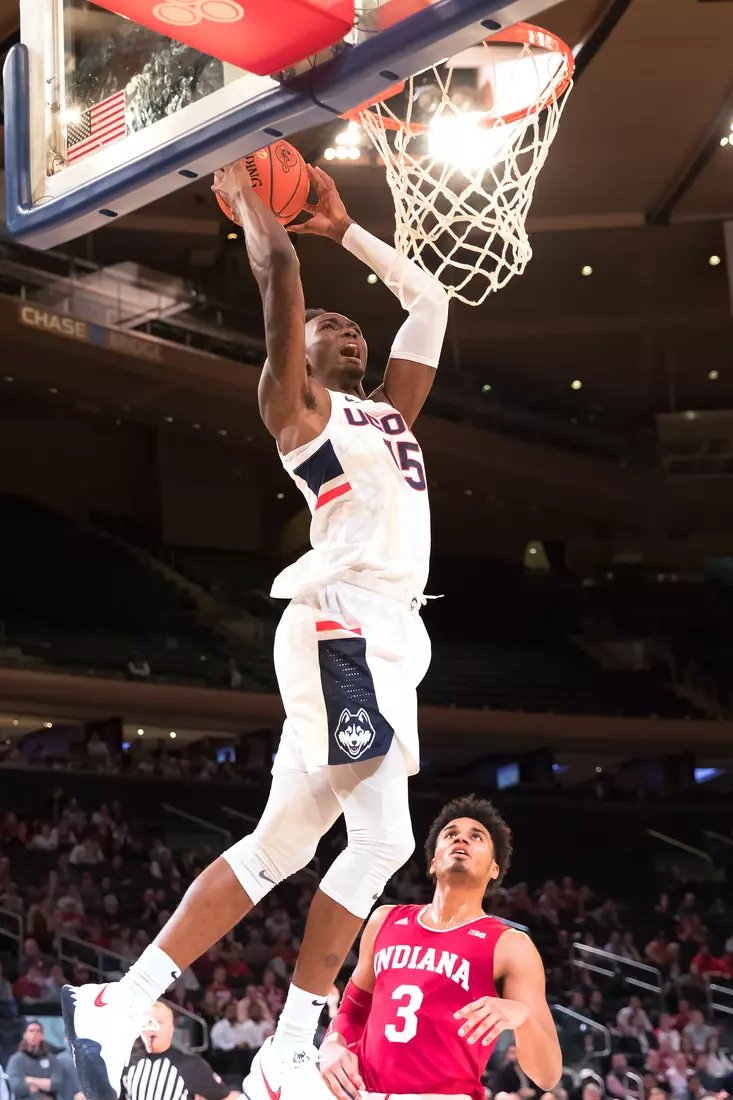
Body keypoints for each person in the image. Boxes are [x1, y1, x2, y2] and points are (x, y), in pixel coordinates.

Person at [62, 158, 449, 1100]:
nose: (348, 328)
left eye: (353, 324)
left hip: (387, 638)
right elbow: (279, 272)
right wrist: (245, 187)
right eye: (328, 325)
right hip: (341, 625)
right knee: (381, 839)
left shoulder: (388, 413)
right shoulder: (298, 408)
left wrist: (345, 228)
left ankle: (124, 998)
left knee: (290, 849)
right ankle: (289, 1045)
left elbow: (430, 301)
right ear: (296, 356)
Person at [317, 795, 561, 1100]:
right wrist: (332, 1043)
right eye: (450, 834)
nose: (461, 838)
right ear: (433, 862)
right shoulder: (384, 920)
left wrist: (522, 1017)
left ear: (494, 869)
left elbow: (548, 1075)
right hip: (367, 1093)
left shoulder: (510, 946)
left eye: (476, 836)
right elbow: (353, 1011)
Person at [121, 1002, 242, 1100]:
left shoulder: (191, 1064)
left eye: (159, 1022)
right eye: (148, 1023)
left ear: (171, 1029)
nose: (153, 1029)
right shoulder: (127, 1062)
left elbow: (225, 1096)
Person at [6, 1021, 61, 1100]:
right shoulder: (16, 1060)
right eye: (31, 1031)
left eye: (38, 1031)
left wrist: (30, 1080)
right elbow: (17, 1088)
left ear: (42, 1035)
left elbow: (57, 1084)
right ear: (25, 1035)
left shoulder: (52, 1059)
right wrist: (45, 1084)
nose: (34, 1034)